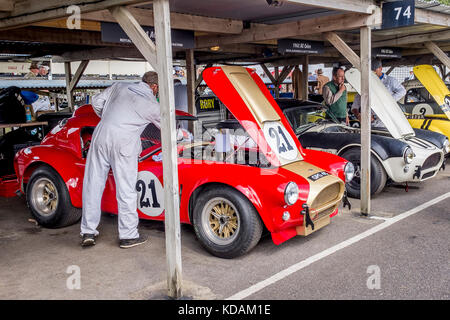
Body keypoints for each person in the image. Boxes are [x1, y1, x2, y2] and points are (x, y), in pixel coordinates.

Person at [80, 71, 161, 248]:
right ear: (154, 87)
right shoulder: (151, 104)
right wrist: (183, 135)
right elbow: (168, 128)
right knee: (126, 190)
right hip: (124, 143)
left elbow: (96, 101)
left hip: (101, 135)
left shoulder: (119, 86)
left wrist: (109, 118)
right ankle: (128, 235)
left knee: (93, 184)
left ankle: (88, 231)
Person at [352, 59, 406, 128]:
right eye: (371, 71)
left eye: (375, 70)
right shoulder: (366, 82)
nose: (373, 72)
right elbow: (357, 99)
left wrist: (389, 100)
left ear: (381, 68)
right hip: (370, 119)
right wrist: (359, 115)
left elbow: (402, 91)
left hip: (386, 119)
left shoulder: (390, 81)